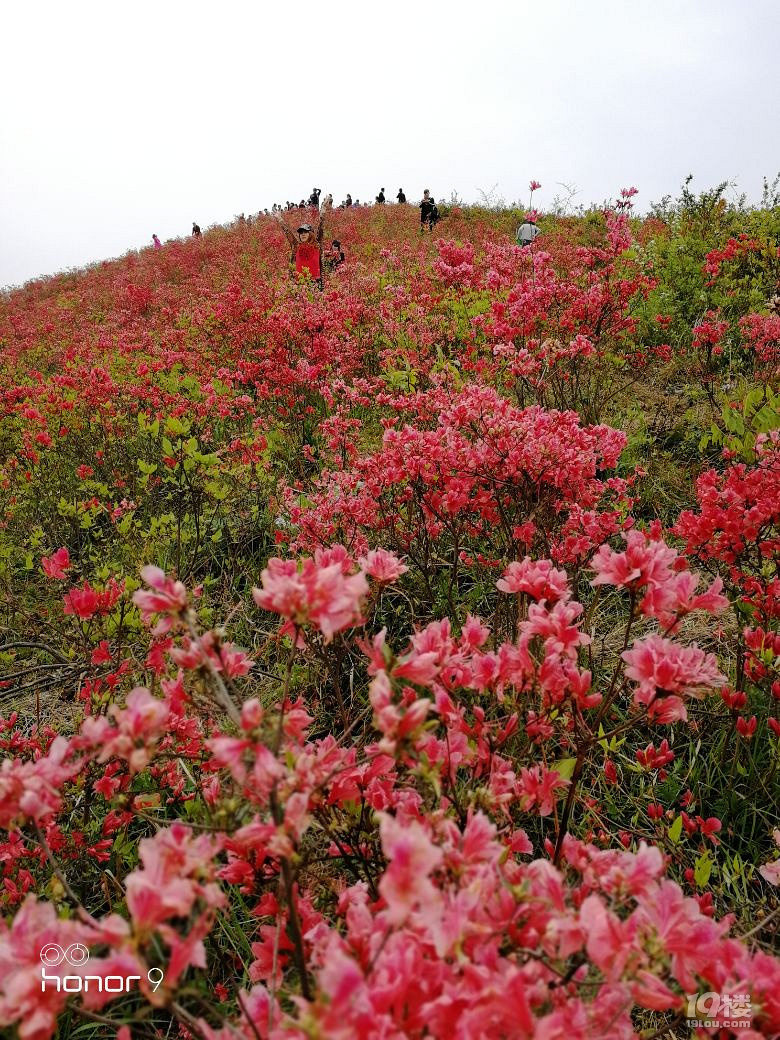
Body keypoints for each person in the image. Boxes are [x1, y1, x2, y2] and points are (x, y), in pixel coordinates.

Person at [274, 198, 331, 287]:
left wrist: (323, 213)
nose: (303, 234)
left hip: (315, 284)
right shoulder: (296, 246)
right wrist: (280, 219)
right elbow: (288, 232)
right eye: (301, 233)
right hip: (299, 284)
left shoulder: (316, 245)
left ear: (311, 233)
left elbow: (320, 229)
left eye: (305, 232)